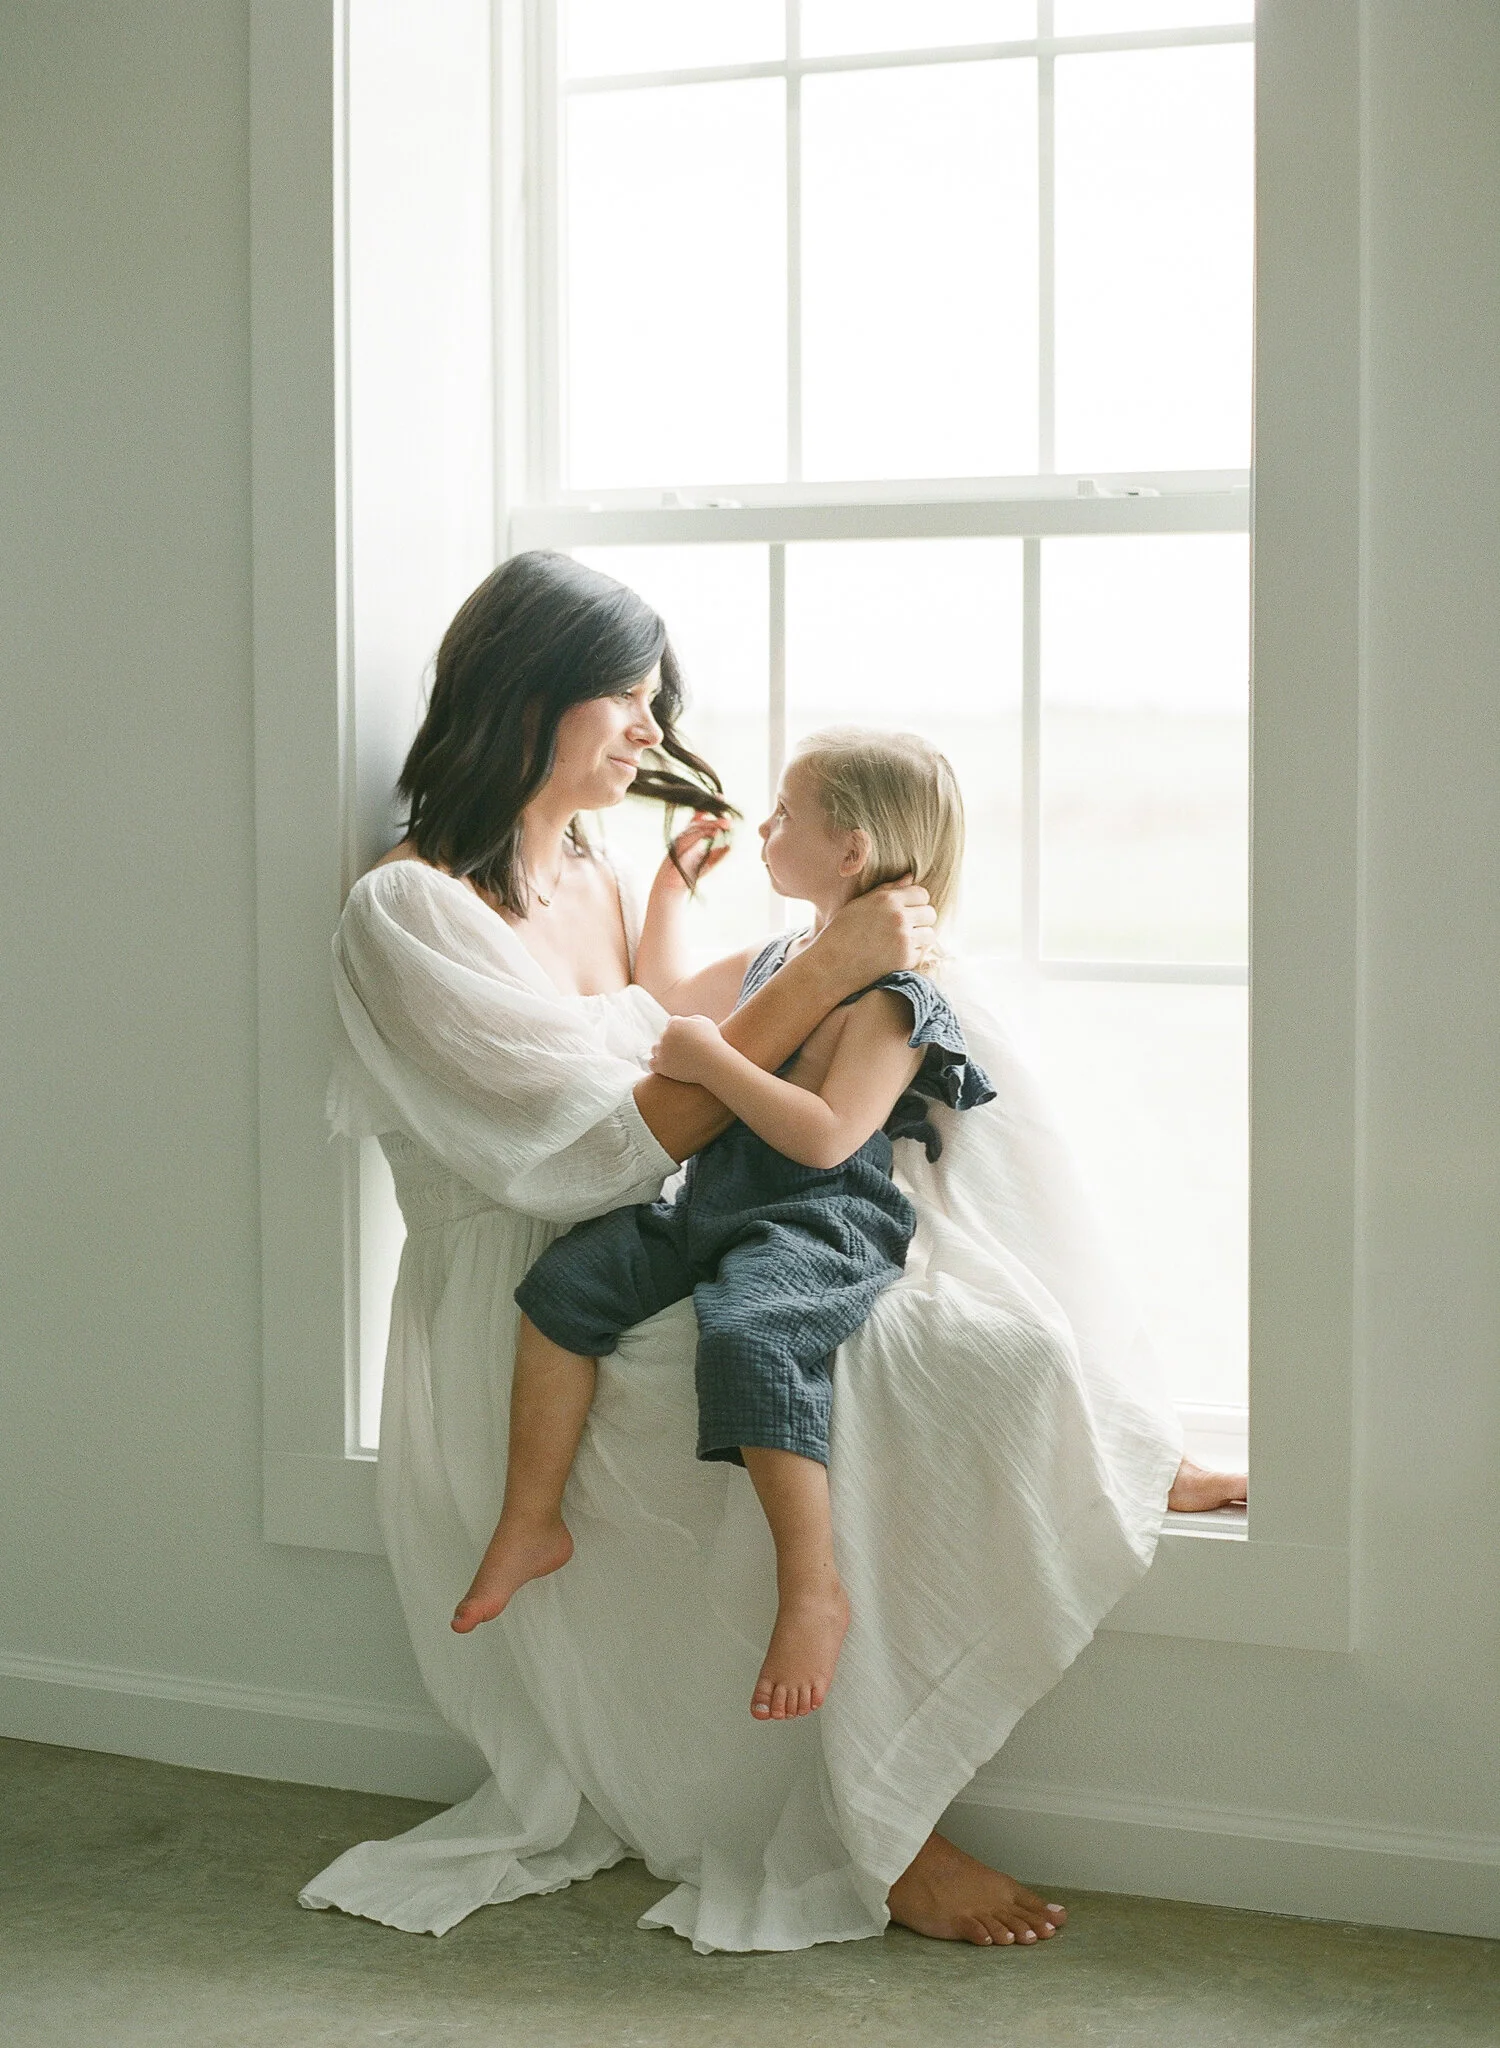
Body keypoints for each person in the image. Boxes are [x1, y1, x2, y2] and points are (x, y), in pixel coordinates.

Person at [301, 550, 1246, 1954]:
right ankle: (875, 1823)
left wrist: (832, 981)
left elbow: (676, 1043)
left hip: (670, 1216)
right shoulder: (410, 909)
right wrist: (824, 967)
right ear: (527, 695)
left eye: (654, 698)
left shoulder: (593, 869)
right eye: (625, 696)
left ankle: (1084, 1470)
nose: (651, 728)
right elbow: (595, 1146)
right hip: (533, 1274)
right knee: (824, 1367)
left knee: (969, 1331)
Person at [451, 730, 996, 1730]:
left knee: (749, 1336)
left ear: (851, 850)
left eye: (787, 814)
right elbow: (671, 996)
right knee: (565, 1284)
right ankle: (530, 1520)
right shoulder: (788, 958)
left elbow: (828, 1136)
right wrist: (670, 887)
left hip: (819, 1219)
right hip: (713, 1198)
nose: (766, 826)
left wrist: (711, 1065)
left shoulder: (896, 1001)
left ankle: (813, 1589)